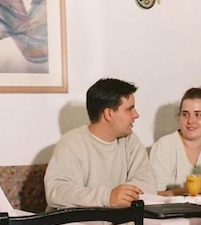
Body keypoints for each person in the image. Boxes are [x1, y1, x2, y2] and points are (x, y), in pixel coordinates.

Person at [45, 77, 156, 210]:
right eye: (129, 109)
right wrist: (107, 197)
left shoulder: (129, 140)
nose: (136, 114)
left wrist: (120, 196)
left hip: (119, 221)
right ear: (108, 114)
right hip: (78, 222)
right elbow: (56, 191)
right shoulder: (72, 143)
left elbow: (149, 185)